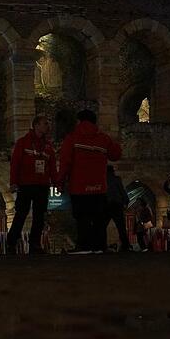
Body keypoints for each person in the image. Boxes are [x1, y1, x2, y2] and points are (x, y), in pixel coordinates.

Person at [57, 109, 122, 254]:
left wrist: (60, 182)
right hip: (99, 187)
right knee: (99, 218)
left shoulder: (72, 138)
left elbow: (65, 162)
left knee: (82, 218)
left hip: (78, 187)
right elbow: (116, 154)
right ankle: (100, 246)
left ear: (79, 121)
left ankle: (84, 246)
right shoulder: (103, 138)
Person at [7, 115, 56, 254]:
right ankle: (11, 241)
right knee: (21, 213)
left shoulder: (48, 146)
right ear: (36, 125)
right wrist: (14, 182)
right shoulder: (23, 142)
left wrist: (56, 182)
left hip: (42, 184)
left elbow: (52, 165)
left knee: (39, 215)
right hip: (26, 184)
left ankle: (35, 243)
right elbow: (15, 164)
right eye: (45, 123)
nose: (48, 126)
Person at [105, 165, 131, 252]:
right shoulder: (117, 179)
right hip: (116, 204)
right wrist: (126, 201)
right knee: (121, 226)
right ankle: (125, 245)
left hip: (106, 204)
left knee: (102, 226)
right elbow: (121, 191)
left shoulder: (102, 179)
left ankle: (101, 245)